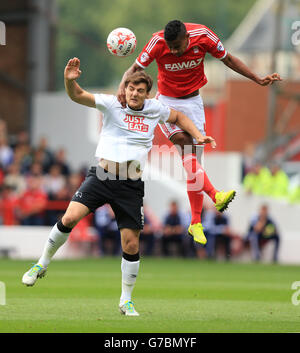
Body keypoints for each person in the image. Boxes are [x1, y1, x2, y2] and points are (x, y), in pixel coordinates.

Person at [22, 57, 216, 316]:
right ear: (124, 89)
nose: (134, 93)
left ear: (147, 95)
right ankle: (41, 264)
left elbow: (179, 116)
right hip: (103, 176)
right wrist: (70, 81)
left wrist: (199, 135)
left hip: (131, 184)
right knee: (69, 217)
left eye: (140, 90)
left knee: (131, 244)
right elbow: (77, 95)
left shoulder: (155, 109)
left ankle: (126, 300)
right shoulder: (112, 104)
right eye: (131, 89)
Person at [118, 20, 282, 245]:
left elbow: (229, 59)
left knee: (194, 163)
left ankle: (195, 222)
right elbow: (135, 69)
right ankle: (215, 195)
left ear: (187, 37)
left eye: (177, 46)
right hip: (167, 103)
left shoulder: (203, 36)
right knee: (184, 144)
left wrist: (256, 78)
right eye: (171, 47)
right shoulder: (157, 42)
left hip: (194, 103)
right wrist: (121, 88)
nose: (174, 51)